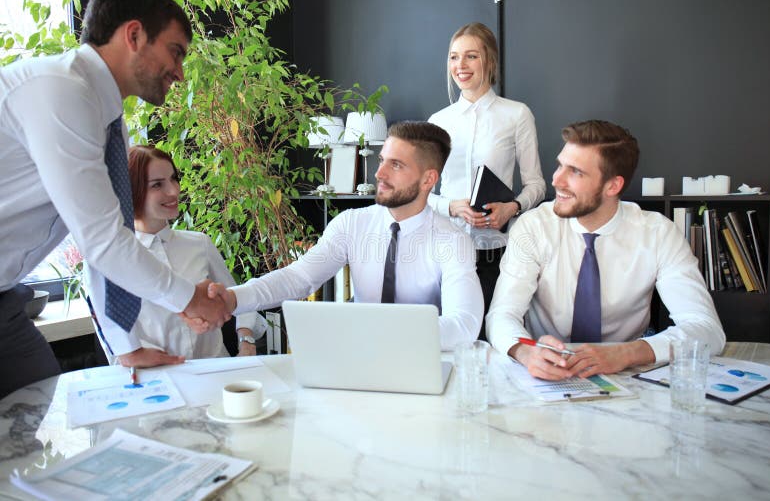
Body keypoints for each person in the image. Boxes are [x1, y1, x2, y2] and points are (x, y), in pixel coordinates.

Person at [0, 0, 229, 397]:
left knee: (36, 415)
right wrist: (188, 300)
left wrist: (126, 347)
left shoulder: (108, 122)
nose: (179, 73)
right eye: (175, 52)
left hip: (4, 299)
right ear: (134, 35)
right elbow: (103, 242)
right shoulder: (60, 91)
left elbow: (108, 236)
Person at [203, 121, 483, 351]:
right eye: (383, 159)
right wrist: (232, 298)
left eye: (396, 165)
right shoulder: (351, 223)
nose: (379, 173)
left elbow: (464, 325)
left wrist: (378, 330)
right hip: (356, 360)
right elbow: (299, 278)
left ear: (428, 180)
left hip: (424, 363)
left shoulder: (453, 241)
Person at [486, 120, 725, 380]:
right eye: (560, 165)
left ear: (613, 186)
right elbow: (502, 314)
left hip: (627, 376)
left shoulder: (658, 233)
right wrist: (525, 351)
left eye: (575, 172)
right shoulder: (533, 227)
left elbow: (707, 329)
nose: (556, 180)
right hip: (544, 374)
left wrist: (626, 353)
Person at [428, 22, 545, 339]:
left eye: (470, 57)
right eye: (454, 57)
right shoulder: (438, 122)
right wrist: (451, 206)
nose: (460, 66)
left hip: (495, 254)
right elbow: (423, 192)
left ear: (489, 61)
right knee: (448, 345)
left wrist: (512, 208)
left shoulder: (517, 115)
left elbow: (536, 185)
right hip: (445, 253)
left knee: (494, 344)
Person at [96, 145, 266, 362]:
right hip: (155, 382)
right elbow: (114, 338)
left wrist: (246, 340)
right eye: (157, 184)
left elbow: (238, 298)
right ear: (132, 189)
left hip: (216, 374)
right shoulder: (116, 257)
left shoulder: (199, 244)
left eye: (173, 179)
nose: (174, 190)